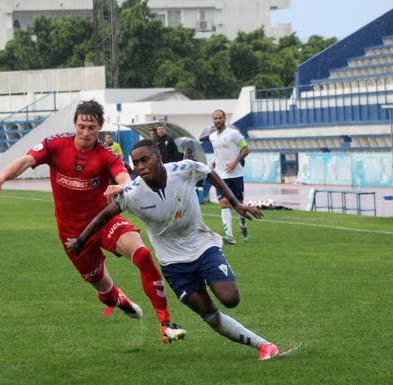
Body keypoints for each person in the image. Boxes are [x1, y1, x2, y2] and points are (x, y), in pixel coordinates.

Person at [0, 100, 186, 344]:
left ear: (100, 127)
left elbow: (124, 177)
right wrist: (0, 178)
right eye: (82, 126)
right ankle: (118, 300)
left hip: (103, 221)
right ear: (75, 124)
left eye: (92, 128)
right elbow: (25, 161)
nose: (86, 133)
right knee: (104, 291)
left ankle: (165, 323)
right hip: (73, 235)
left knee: (142, 255)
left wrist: (122, 186)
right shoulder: (55, 145)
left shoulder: (106, 155)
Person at [65, 139, 284, 361]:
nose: (140, 166)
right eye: (136, 163)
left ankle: (258, 338)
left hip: (202, 247)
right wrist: (81, 241)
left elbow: (209, 173)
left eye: (145, 160)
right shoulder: (133, 193)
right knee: (209, 314)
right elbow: (106, 214)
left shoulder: (184, 169)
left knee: (230, 298)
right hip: (173, 265)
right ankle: (264, 346)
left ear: (158, 157)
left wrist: (236, 204)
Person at [208, 109, 250, 244]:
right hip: (220, 175)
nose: (217, 121)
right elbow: (218, 151)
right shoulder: (212, 136)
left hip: (235, 174)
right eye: (215, 118)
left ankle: (243, 225)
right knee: (224, 202)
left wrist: (235, 162)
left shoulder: (234, 134)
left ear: (224, 118)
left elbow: (246, 149)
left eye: (220, 118)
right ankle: (229, 236)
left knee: (238, 204)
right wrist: (215, 161)